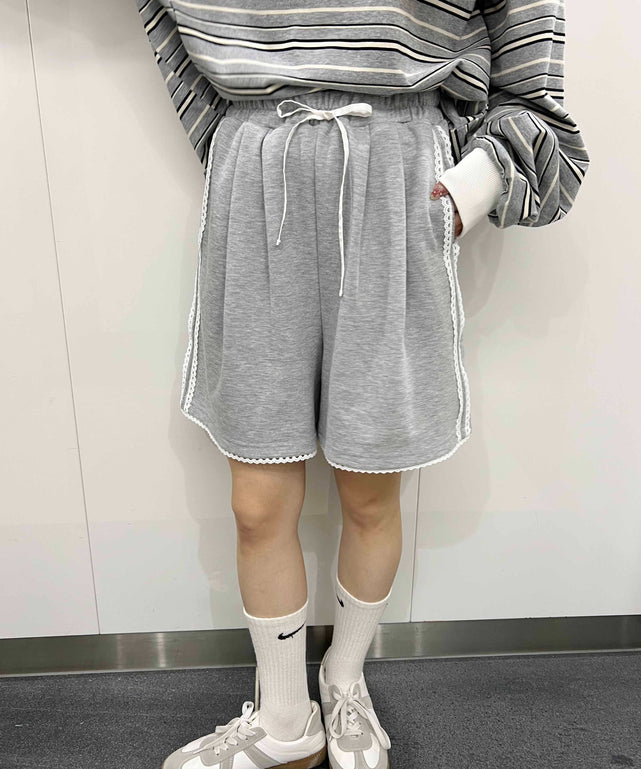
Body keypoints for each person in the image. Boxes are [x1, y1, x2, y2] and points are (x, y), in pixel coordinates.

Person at [135, 1, 590, 767]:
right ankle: (286, 719)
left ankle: (344, 681)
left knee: (369, 487)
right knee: (255, 500)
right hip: (258, 165)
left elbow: (527, 59)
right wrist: (234, 137)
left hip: (397, 172)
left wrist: (466, 188)